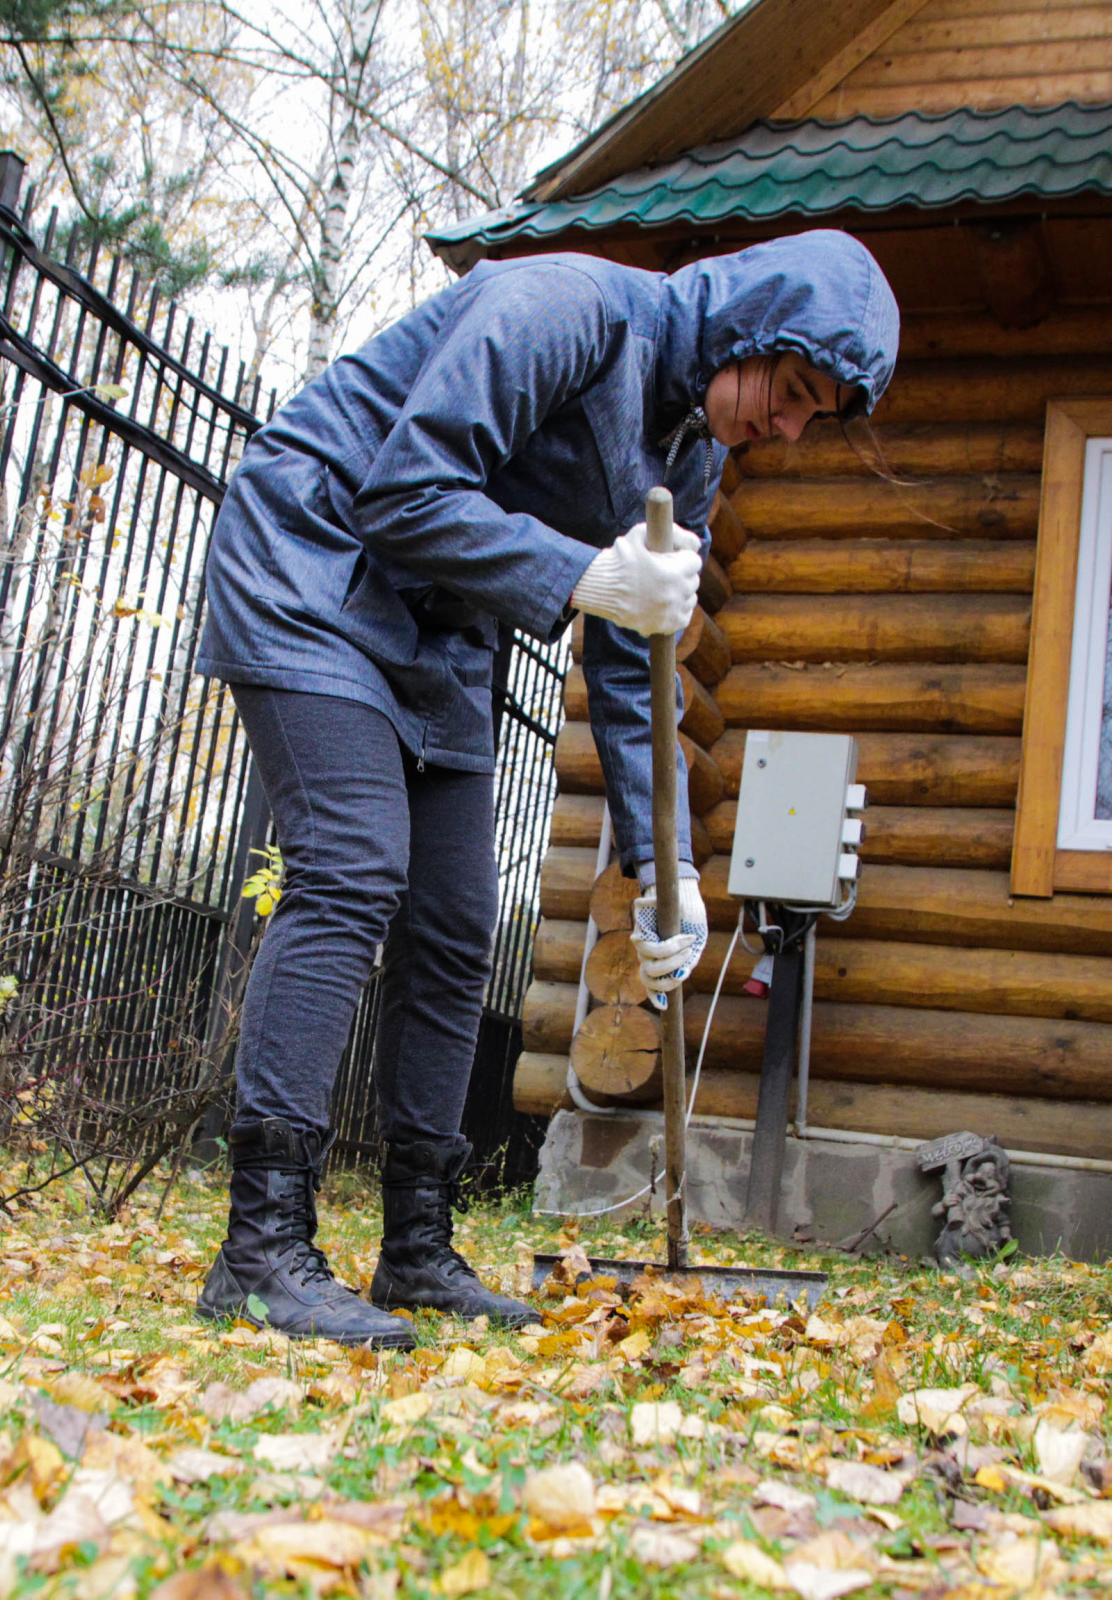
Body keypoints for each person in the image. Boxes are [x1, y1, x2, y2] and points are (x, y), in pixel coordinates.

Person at [191, 230, 900, 1348]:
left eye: (814, 415)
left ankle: (416, 1247)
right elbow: (403, 490)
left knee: (460, 918)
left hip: (437, 630)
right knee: (352, 866)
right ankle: (261, 1248)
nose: (789, 426)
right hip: (314, 564)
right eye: (792, 390)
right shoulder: (564, 309)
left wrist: (670, 871)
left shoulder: (691, 461)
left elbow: (636, 666)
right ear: (747, 327)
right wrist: (581, 573)